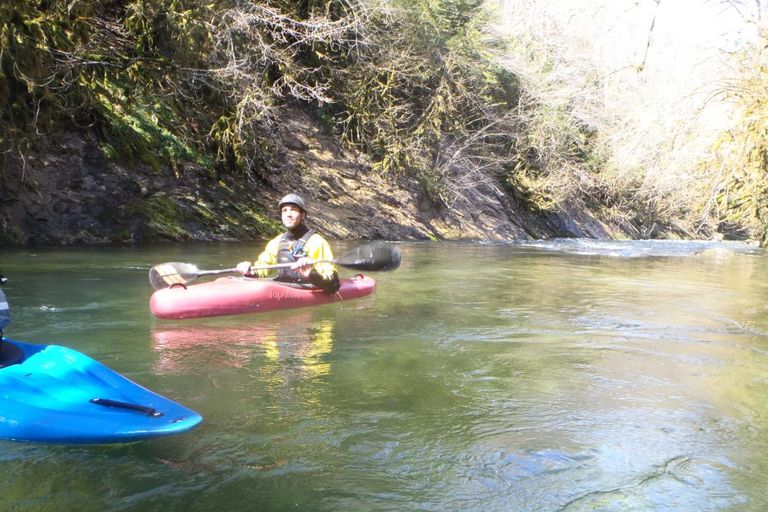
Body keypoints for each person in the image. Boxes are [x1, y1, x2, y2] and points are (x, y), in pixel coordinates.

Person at [237, 194, 341, 293]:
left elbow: (333, 284)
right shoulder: (277, 241)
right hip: (283, 289)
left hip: (307, 290)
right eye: (284, 210)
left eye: (294, 210)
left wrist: (311, 273)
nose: (288, 214)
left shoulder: (316, 242)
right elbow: (263, 267)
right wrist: (250, 272)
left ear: (302, 215)